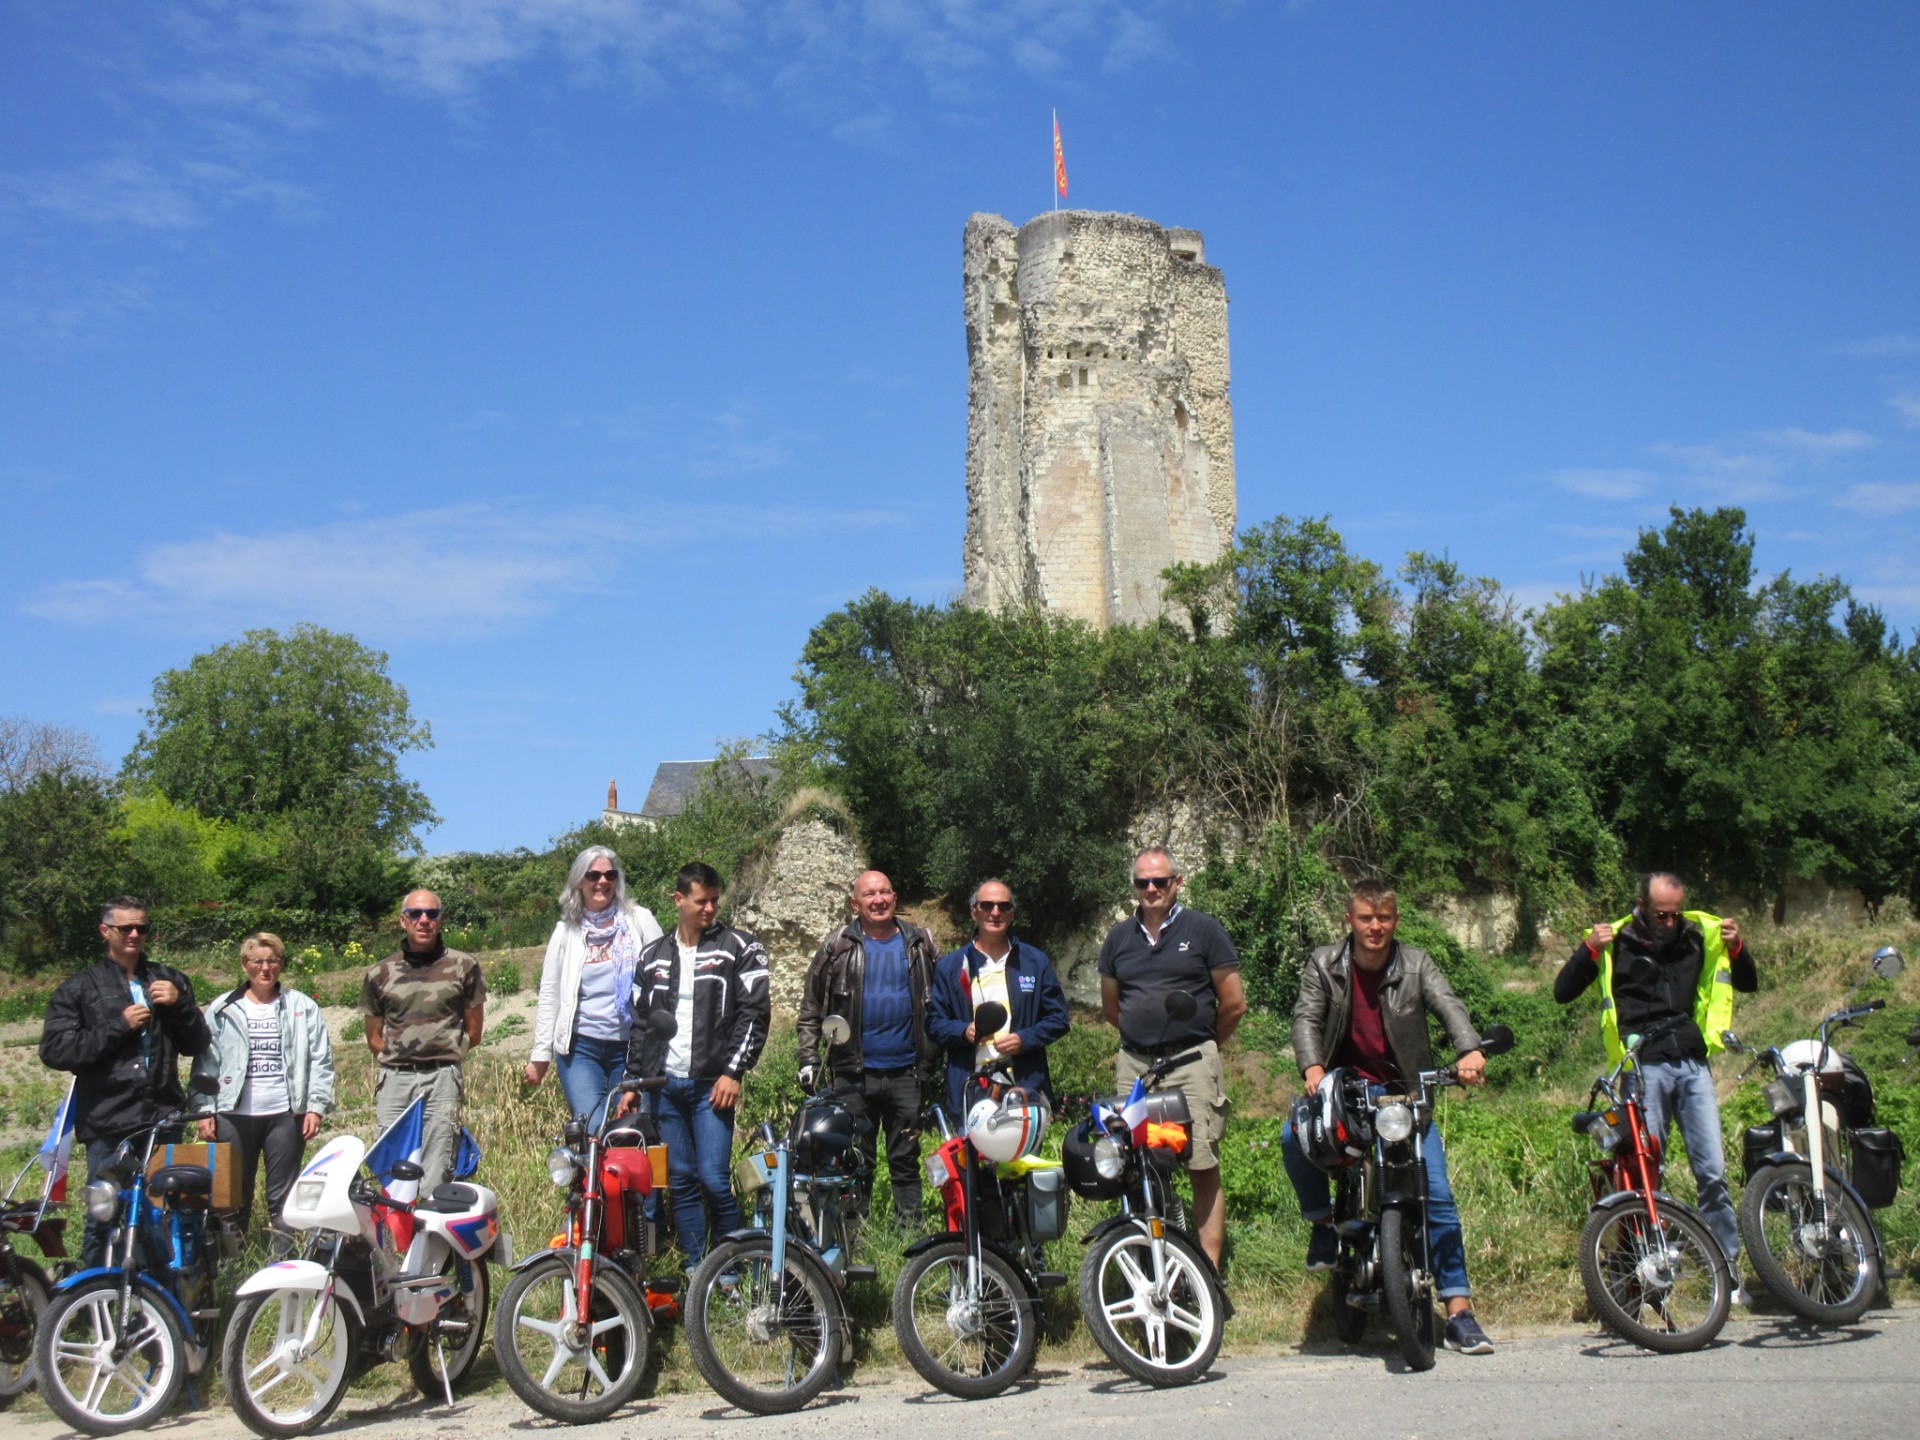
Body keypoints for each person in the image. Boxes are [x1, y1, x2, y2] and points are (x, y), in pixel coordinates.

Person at [1282, 879, 1496, 1355]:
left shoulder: (1416, 963)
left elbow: (1449, 1005)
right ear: (1349, 921)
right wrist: (1312, 1066)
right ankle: (1323, 1231)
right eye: (1365, 918)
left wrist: (1470, 1050)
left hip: (1406, 1093)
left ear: (1395, 920)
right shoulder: (1325, 963)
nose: (1375, 927)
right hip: (1345, 1090)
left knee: (1436, 1195)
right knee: (1291, 1136)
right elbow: (1306, 1018)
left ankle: (1459, 1313)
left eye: (1384, 918)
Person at [1557, 871, 1757, 1292]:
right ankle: (1650, 1269)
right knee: (1648, 1171)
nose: (1669, 922)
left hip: (1692, 1062)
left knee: (1713, 1172)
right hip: (1643, 1065)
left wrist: (1738, 948)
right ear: (1642, 907)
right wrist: (1587, 950)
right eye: (1660, 914)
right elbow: (1563, 991)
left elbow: (1749, 982)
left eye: (1674, 914)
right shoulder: (1618, 942)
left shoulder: (1697, 936)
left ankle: (1727, 1269)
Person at [1098, 847, 1246, 1270]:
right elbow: (1113, 1009)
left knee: (1201, 1163)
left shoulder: (1204, 930)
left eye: (1159, 881)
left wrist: (1200, 1046)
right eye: (1142, 882)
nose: (1150, 889)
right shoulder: (1118, 938)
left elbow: (1233, 1003)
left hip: (1192, 1065)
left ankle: (1208, 1273)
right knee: (1135, 1166)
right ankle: (1152, 1264)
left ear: (1177, 883)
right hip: (1135, 1068)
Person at [40, 896, 211, 1265]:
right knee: (104, 1214)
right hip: (108, 1119)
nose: (134, 934)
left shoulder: (169, 979)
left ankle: (159, 1304)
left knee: (163, 1212)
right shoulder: (79, 988)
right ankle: (97, 1305)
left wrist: (180, 1004)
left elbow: (197, 1043)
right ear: (106, 931)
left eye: (142, 928)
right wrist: (119, 1026)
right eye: (125, 928)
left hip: (162, 1117)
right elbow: (55, 1051)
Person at [621, 862, 770, 1270]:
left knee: (714, 1179)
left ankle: (733, 1267)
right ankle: (695, 1267)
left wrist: (733, 1072)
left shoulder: (740, 946)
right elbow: (640, 1024)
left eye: (715, 901)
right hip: (664, 1085)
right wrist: (634, 1081)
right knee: (680, 1179)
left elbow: (754, 1014)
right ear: (679, 899)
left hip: (711, 1085)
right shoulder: (652, 957)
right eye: (701, 901)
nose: (710, 909)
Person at [797, 869, 943, 1231]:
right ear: (855, 903)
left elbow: (944, 1003)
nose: (878, 900)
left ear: (895, 898)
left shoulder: (920, 944)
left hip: (907, 1072)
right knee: (855, 1159)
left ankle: (910, 1237)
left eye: (884, 893)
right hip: (852, 1073)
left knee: (905, 1158)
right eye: (869, 895)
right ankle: (855, 1239)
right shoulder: (837, 947)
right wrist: (808, 1058)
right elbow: (811, 1008)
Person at [188, 932, 336, 1240]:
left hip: (284, 1113)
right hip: (233, 1114)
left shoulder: (302, 1006)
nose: (265, 968)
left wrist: (315, 1107)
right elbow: (206, 1064)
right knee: (232, 1196)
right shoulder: (222, 1008)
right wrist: (204, 1109)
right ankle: (234, 1264)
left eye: (272, 961)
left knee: (282, 1198)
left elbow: (320, 1060)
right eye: (257, 961)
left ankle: (283, 1262)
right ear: (245, 965)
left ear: (281, 965)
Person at [524, 845, 664, 1127]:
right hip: (581, 1048)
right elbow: (550, 994)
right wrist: (540, 1054)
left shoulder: (640, 920)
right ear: (579, 881)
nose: (603, 882)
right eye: (594, 875)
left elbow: (663, 979)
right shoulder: (566, 931)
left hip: (631, 1049)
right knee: (592, 1128)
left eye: (610, 875)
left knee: (634, 1128)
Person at [361, 889, 486, 1196]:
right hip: (395, 1079)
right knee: (389, 1163)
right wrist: (401, 1060)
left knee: (437, 1163)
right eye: (416, 914)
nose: (424, 920)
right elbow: (374, 1037)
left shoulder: (464, 966)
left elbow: (475, 1031)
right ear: (403, 921)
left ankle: (429, 1235)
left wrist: (444, 1056)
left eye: (431, 913)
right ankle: (394, 1239)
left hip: (442, 1078)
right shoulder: (380, 973)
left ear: (440, 920)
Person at [926, 879, 1070, 1119]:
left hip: (1023, 1086)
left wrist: (1024, 1039)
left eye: (1004, 906)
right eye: (987, 905)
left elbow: (1059, 1019)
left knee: (1025, 1158)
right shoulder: (950, 967)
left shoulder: (1035, 961)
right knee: (973, 1157)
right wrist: (963, 1032)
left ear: (1012, 913)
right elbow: (934, 1023)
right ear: (974, 912)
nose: (995, 912)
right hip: (970, 1087)